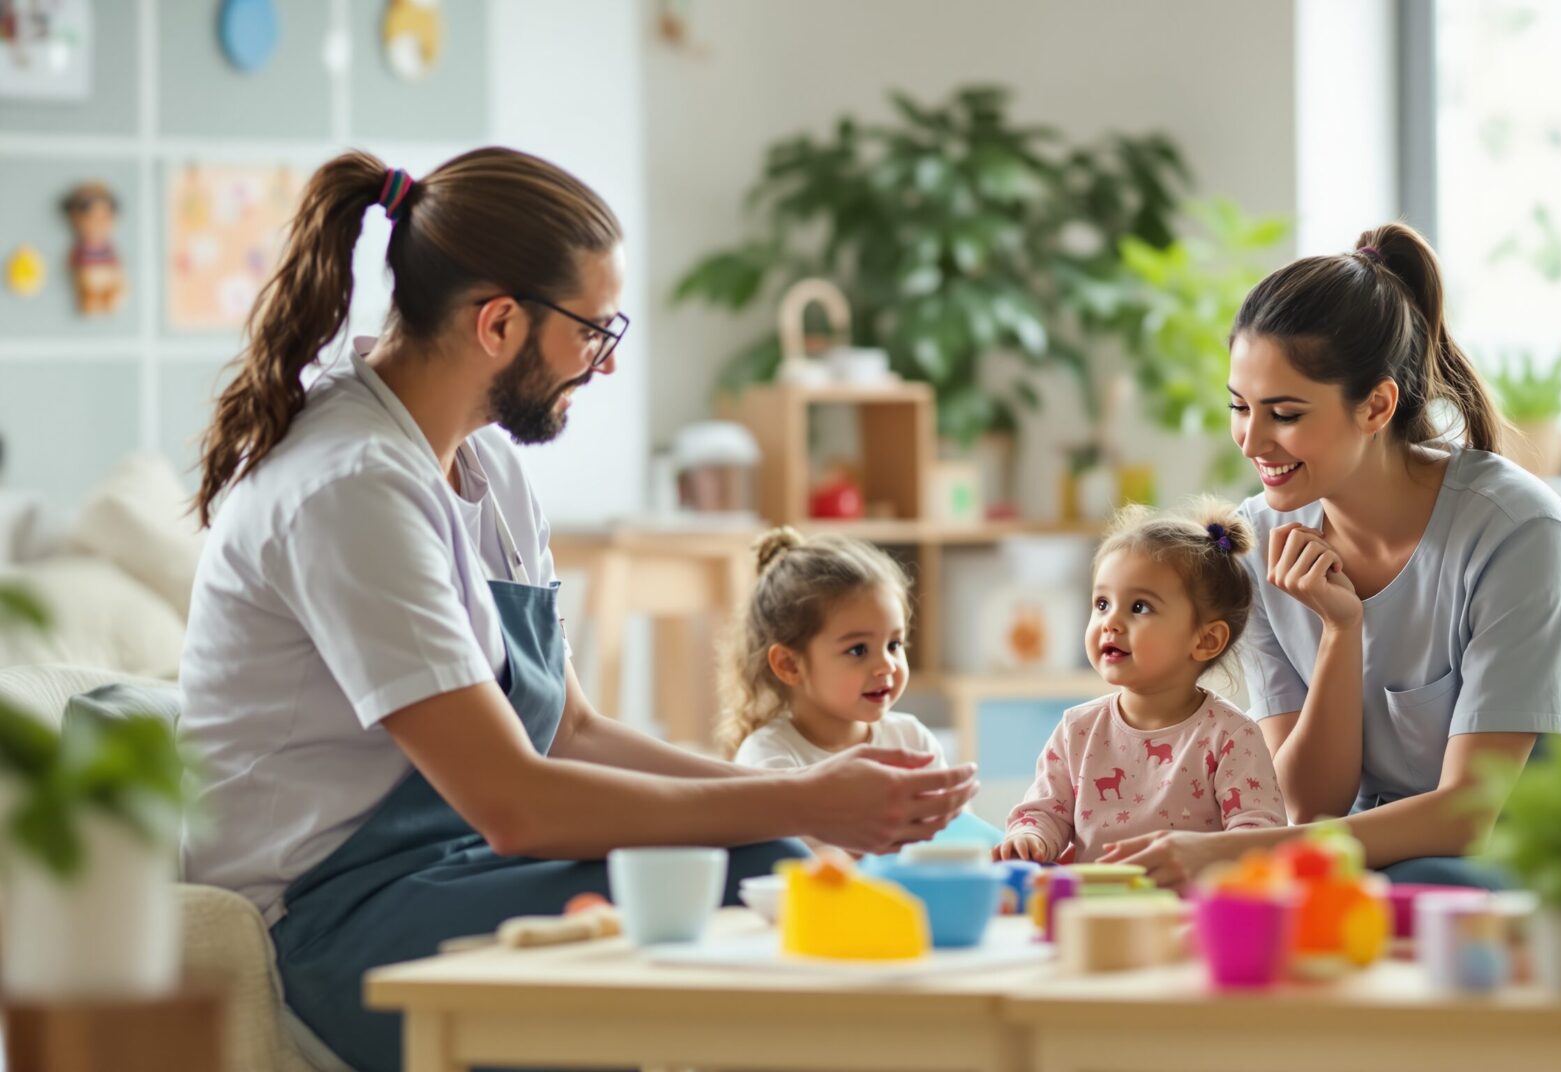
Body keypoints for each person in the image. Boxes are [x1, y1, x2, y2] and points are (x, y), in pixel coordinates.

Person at [177, 147, 975, 1072]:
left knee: (773, 866)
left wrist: (813, 810)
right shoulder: (350, 487)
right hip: (333, 920)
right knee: (765, 877)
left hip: (457, 865)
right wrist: (800, 799)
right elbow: (515, 802)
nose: (602, 363)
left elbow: (572, 733)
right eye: (594, 331)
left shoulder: (488, 466)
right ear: (500, 322)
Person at [1102, 223, 1561, 903]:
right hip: (1416, 862)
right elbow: (1310, 805)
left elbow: (1467, 814)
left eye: (1286, 413)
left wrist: (1228, 851)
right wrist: (1340, 635)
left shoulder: (1516, 531)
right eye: (1240, 407)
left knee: (1387, 897)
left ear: (1378, 405)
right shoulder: (1258, 540)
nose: (1253, 439)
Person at [996, 502, 1285, 868]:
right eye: (1102, 603)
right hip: (1094, 909)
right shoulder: (1077, 730)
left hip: (1185, 916)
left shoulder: (1230, 737)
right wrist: (1030, 837)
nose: (1110, 622)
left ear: (1206, 640)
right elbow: (1044, 811)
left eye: (1139, 608)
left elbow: (1258, 834)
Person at [723, 527, 946, 771]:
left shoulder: (913, 741)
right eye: (858, 650)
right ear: (789, 664)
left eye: (894, 644)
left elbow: (954, 809)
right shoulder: (768, 757)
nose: (887, 665)